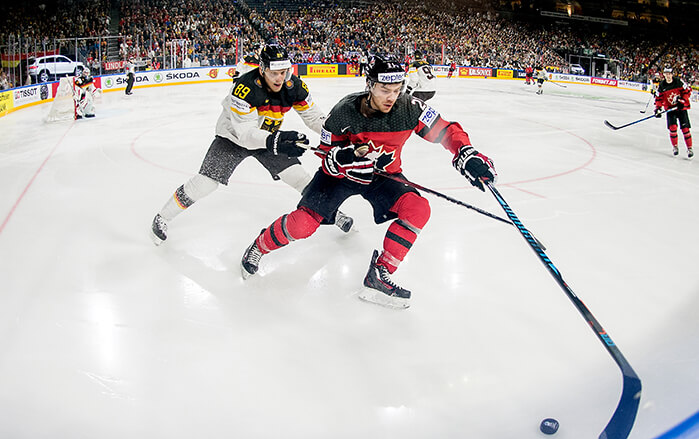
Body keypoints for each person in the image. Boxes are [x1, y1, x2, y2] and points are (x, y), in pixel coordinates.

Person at [240, 53, 497, 309]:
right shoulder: (343, 111)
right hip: (339, 176)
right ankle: (259, 246)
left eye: (397, 89)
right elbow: (326, 154)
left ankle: (379, 274)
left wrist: (466, 152)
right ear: (369, 84)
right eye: (385, 89)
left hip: (382, 175)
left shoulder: (410, 107)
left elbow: (446, 130)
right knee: (302, 225)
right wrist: (340, 159)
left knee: (418, 208)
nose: (391, 97)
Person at [150, 43, 354, 245]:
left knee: (299, 178)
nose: (280, 78)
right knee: (206, 182)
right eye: (274, 73)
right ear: (262, 68)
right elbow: (245, 134)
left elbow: (313, 116)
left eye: (284, 72)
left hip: (269, 138)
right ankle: (163, 216)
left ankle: (332, 213)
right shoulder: (244, 88)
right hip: (232, 138)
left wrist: (339, 134)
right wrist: (276, 141)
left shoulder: (294, 86)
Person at [654, 67, 693, 158]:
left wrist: (682, 101)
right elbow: (658, 98)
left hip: (681, 109)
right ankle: (675, 147)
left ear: (672, 74)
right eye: (666, 74)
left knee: (685, 129)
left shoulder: (678, 82)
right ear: (664, 75)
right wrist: (658, 109)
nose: (668, 75)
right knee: (673, 128)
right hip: (670, 110)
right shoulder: (662, 86)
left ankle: (689, 148)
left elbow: (687, 92)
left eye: (669, 74)